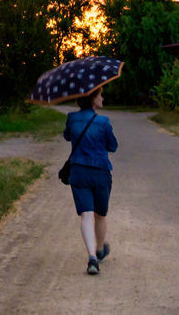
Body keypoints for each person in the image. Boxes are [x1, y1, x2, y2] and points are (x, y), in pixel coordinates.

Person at [64, 86, 117, 275]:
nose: (102, 98)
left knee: (86, 214)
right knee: (100, 215)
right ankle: (100, 249)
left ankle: (92, 258)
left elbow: (67, 136)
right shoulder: (103, 121)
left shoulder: (72, 118)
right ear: (93, 99)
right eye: (100, 95)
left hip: (79, 172)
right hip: (100, 173)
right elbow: (113, 146)